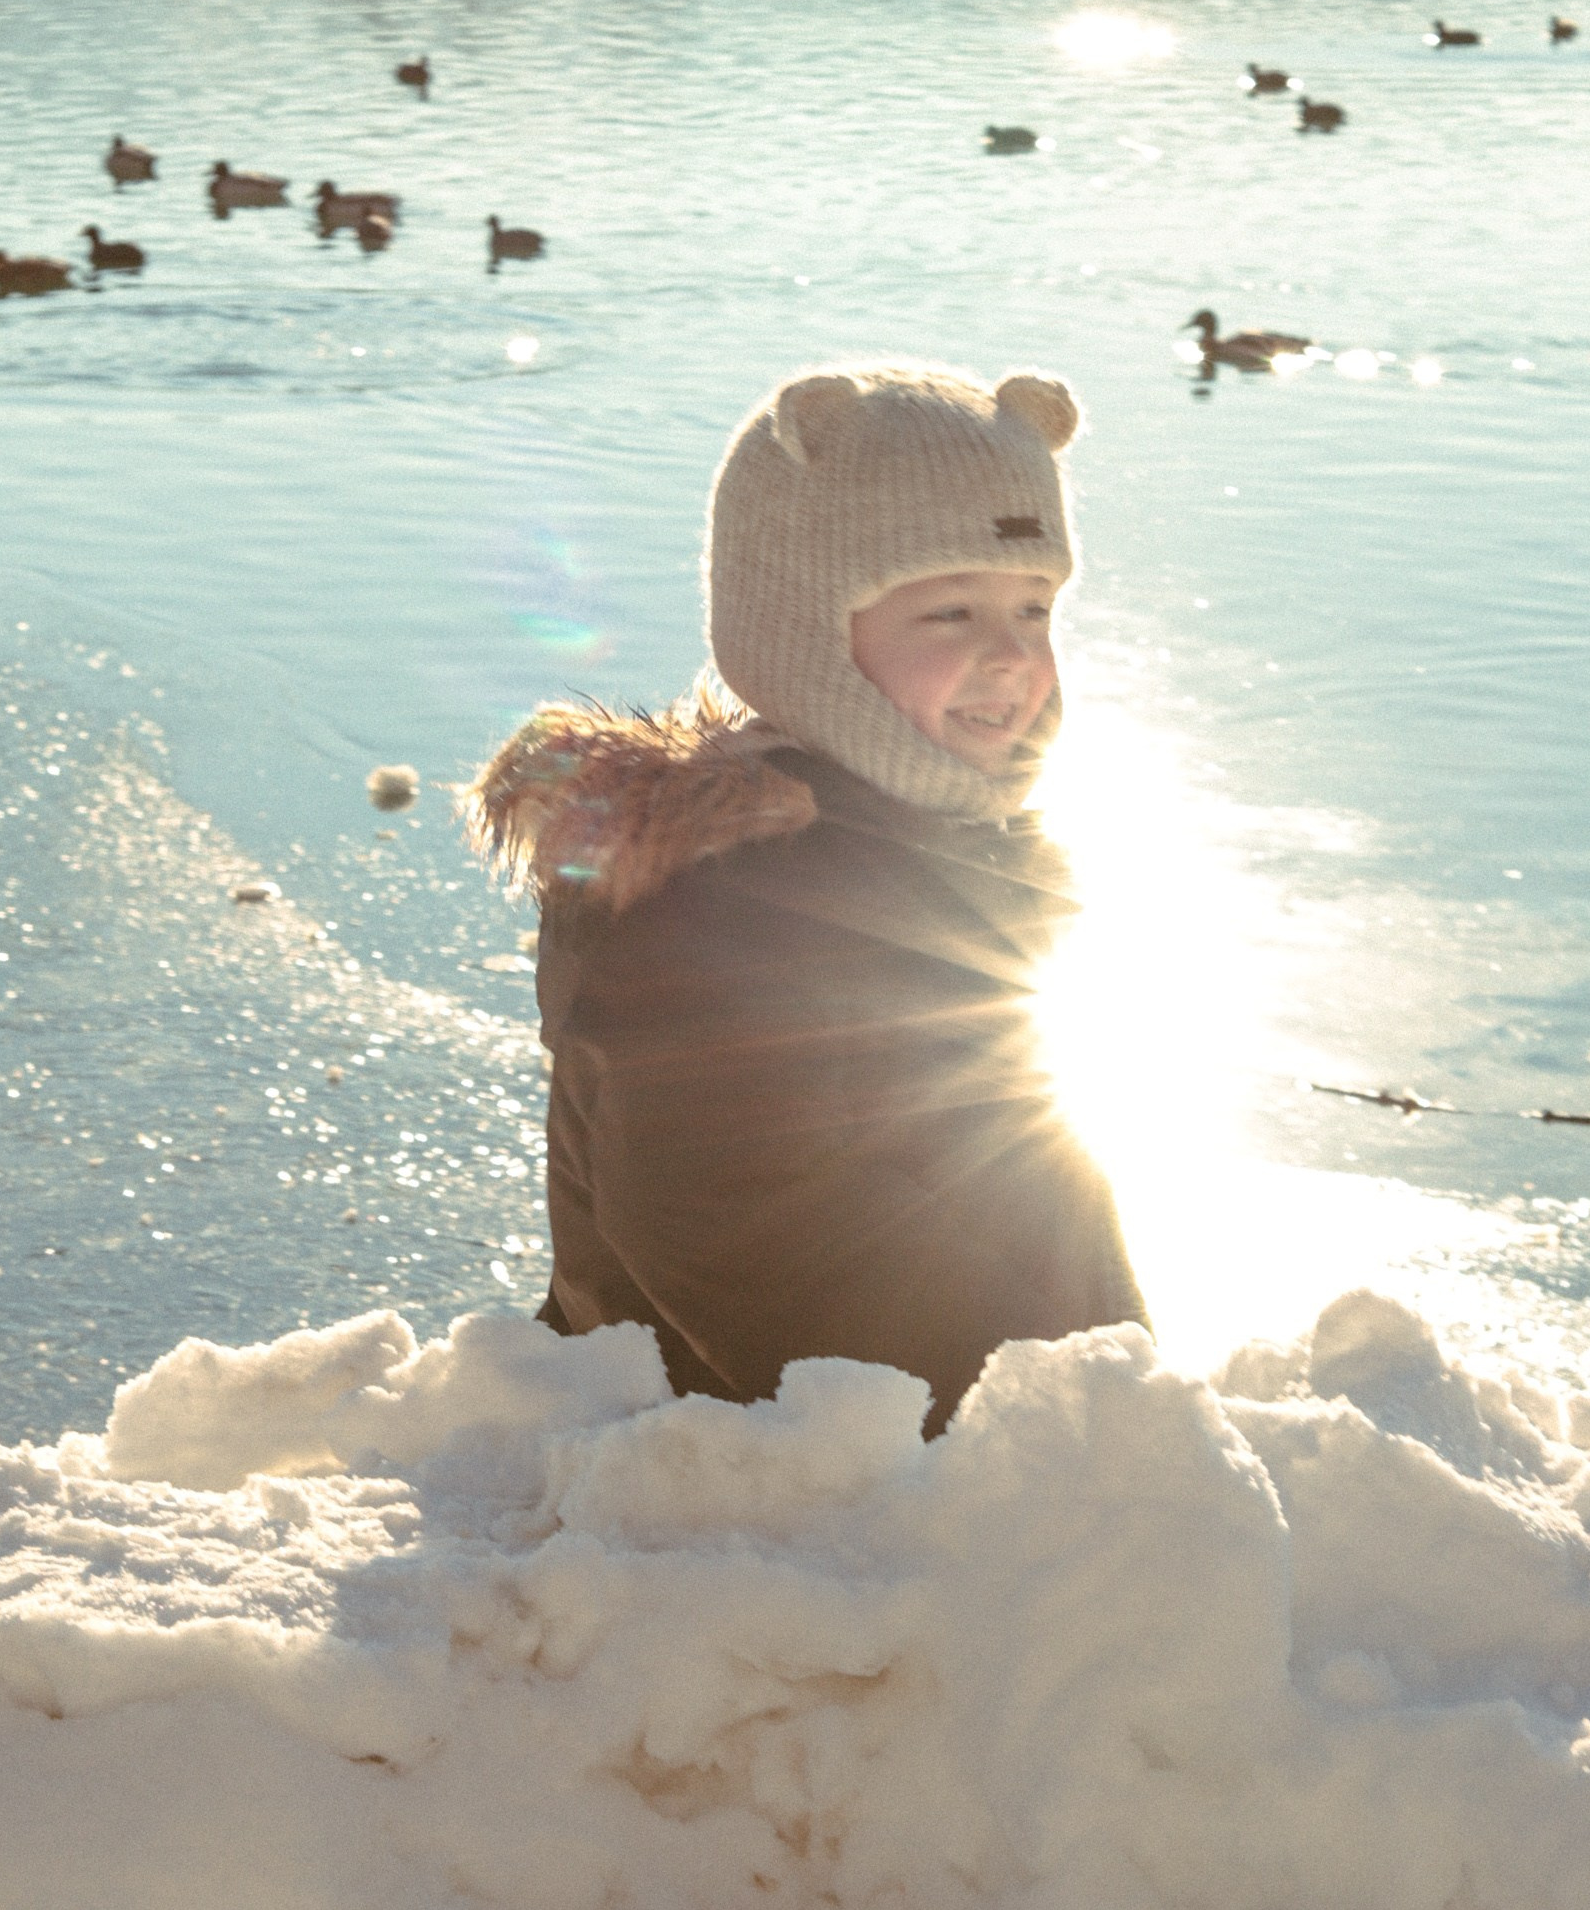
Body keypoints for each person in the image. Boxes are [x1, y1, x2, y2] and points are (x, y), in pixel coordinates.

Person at [465, 361, 1146, 1429]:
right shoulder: (725, 908)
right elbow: (733, 1226)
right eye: (950, 612)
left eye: (1034, 606)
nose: (1013, 655)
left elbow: (1033, 1187)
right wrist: (993, 1437)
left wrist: (1119, 1386)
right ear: (804, 632)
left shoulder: (936, 865)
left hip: (973, 1441)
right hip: (761, 1460)